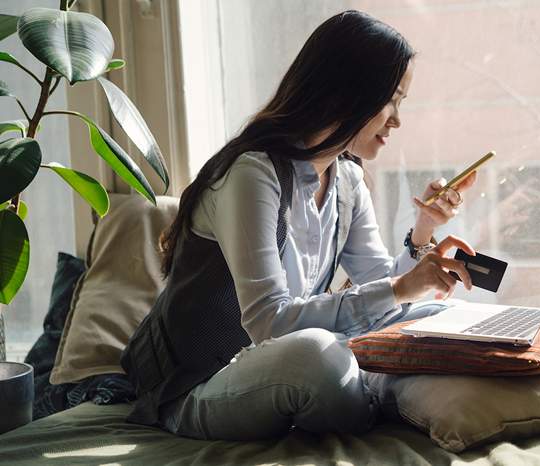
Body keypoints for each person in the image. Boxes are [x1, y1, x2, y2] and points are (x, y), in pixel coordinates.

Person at [121, 9, 478, 440]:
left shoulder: (346, 179)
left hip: (288, 365)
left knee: (447, 314)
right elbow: (269, 323)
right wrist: (400, 289)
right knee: (317, 357)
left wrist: (423, 232)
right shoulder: (252, 174)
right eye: (391, 100)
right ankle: (385, 391)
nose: (397, 119)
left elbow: (382, 286)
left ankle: (381, 387)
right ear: (346, 92)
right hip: (202, 385)